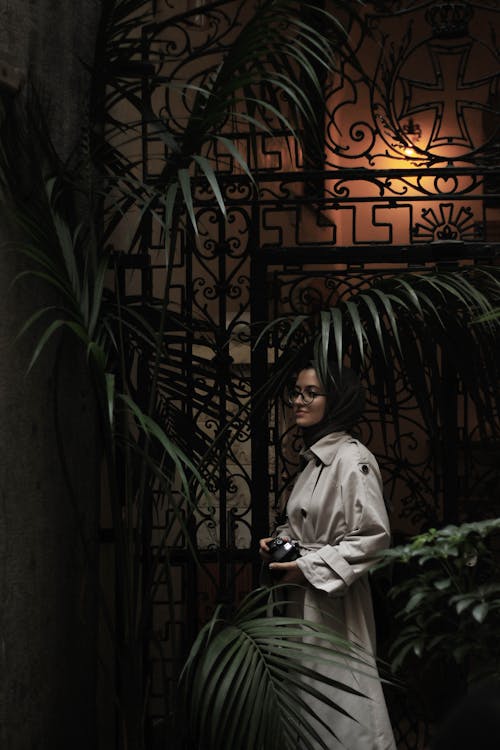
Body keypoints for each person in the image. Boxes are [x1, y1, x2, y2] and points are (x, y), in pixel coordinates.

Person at [259, 359, 396, 750]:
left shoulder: (352, 460)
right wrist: (280, 541)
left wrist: (307, 567)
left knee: (343, 700)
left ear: (336, 400)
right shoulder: (314, 461)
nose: (298, 402)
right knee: (309, 704)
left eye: (311, 393)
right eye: (296, 393)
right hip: (303, 599)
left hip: (334, 601)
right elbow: (309, 525)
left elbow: (372, 536)